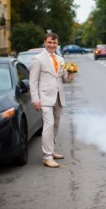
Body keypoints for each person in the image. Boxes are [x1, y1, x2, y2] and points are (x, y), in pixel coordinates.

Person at [30, 32, 74, 168]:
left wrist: (70, 76)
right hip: (44, 98)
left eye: (54, 43)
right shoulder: (38, 59)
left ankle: (51, 150)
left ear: (57, 44)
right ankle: (47, 157)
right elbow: (33, 81)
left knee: (55, 125)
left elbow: (62, 78)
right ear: (44, 42)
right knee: (48, 126)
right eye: (49, 42)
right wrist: (35, 99)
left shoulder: (60, 59)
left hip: (58, 97)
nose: (52, 45)